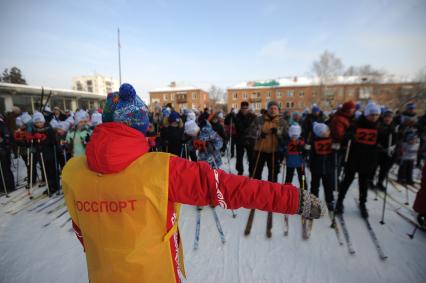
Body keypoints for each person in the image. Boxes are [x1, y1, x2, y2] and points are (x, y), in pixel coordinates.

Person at [62, 83, 325, 283]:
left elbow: (83, 233)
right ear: (140, 126)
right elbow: (230, 188)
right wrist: (293, 199)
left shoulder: (72, 172)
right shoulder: (161, 168)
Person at [335, 102, 381, 218]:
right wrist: (349, 137)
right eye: (372, 114)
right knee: (347, 181)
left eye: (376, 114)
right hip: (354, 158)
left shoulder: (378, 126)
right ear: (366, 114)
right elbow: (345, 138)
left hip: (368, 159)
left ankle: (362, 203)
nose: (374, 117)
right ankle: (340, 201)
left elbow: (383, 142)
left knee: (363, 183)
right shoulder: (356, 124)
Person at [31, 112, 59, 195]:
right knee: (45, 171)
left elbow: (53, 141)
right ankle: (49, 186)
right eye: (37, 123)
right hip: (41, 154)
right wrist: (31, 139)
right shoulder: (34, 129)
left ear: (43, 121)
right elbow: (33, 142)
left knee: (52, 170)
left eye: (40, 122)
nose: (39, 124)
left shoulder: (48, 128)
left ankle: (55, 186)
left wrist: (44, 139)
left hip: (50, 153)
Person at [309, 122, 335, 210]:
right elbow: (310, 153)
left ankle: (329, 200)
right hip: (316, 167)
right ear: (321, 133)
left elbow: (335, 152)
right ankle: (313, 201)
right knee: (315, 185)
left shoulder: (331, 140)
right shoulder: (314, 141)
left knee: (328, 185)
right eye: (326, 130)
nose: (329, 131)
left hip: (328, 167)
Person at [374, 110, 397, 191]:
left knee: (384, 168)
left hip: (387, 150)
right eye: (386, 117)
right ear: (383, 118)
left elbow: (395, 139)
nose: (388, 119)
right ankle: (370, 181)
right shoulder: (379, 125)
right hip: (378, 150)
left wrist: (393, 146)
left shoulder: (393, 127)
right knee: (374, 167)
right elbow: (376, 136)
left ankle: (380, 182)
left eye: (390, 117)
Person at [234, 101, 257, 176]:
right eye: (243, 108)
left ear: (248, 108)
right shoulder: (237, 116)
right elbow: (228, 122)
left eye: (246, 108)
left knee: (251, 157)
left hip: (250, 140)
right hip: (240, 139)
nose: (244, 109)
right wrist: (229, 116)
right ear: (241, 108)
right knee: (239, 157)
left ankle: (251, 171)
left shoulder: (253, 116)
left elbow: (255, 127)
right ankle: (240, 171)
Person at [284, 124, 306, 189]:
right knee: (288, 178)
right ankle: (286, 189)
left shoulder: (301, 142)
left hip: (300, 163)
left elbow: (306, 151)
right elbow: (284, 150)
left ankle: (304, 189)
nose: (294, 137)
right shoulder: (287, 142)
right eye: (293, 135)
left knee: (302, 178)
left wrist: (304, 150)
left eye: (296, 136)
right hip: (290, 163)